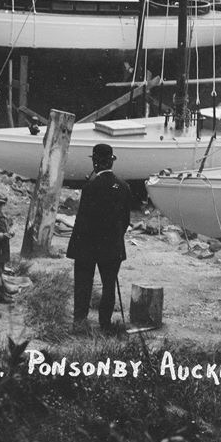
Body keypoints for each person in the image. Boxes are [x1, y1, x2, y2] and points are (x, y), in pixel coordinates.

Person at [66, 143, 133, 334]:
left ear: (95, 162)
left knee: (83, 284)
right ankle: (105, 323)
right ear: (111, 161)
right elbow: (126, 220)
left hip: (87, 245)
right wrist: (114, 238)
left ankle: (79, 322)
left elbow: (83, 219)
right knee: (109, 285)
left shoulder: (90, 186)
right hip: (112, 246)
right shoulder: (124, 186)